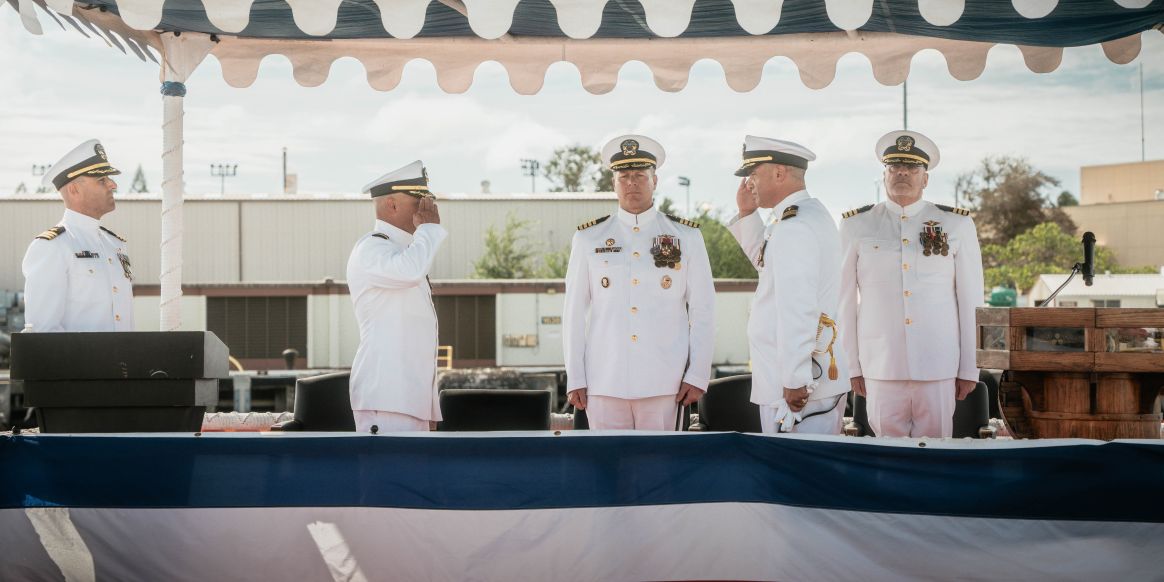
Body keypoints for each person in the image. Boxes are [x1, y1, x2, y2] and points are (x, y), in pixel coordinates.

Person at [563, 134, 715, 430]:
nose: (631, 183)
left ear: (654, 181)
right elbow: (573, 313)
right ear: (613, 183)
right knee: (606, 459)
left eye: (639, 176)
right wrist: (576, 376)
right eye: (624, 177)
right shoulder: (588, 238)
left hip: (664, 380)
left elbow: (703, 309)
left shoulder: (686, 237)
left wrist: (697, 374)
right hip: (604, 379)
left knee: (661, 458)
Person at [838, 130, 984, 438]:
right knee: (887, 452)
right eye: (894, 166)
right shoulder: (856, 225)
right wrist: (852, 366)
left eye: (912, 168)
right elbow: (844, 301)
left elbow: (971, 300)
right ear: (884, 174)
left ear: (925, 178)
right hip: (880, 364)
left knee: (937, 451)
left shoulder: (957, 224)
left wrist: (969, 367)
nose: (902, 173)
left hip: (938, 363)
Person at [727, 136, 850, 434]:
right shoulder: (802, 217)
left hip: (798, 389)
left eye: (754, 174)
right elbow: (769, 266)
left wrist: (795, 379)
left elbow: (798, 307)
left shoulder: (794, 227)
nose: (749, 183)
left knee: (795, 463)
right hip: (803, 380)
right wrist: (747, 215)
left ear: (779, 173)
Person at [346, 160, 446, 433]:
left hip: (408, 400)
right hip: (387, 397)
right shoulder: (371, 249)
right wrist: (429, 230)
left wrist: (428, 406)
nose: (427, 209)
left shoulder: (404, 253)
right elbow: (410, 272)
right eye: (419, 201)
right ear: (391, 205)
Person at [22, 139, 134, 333]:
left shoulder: (115, 245)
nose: (113, 185)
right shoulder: (52, 246)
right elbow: (43, 332)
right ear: (74, 189)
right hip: (79, 356)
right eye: (102, 180)